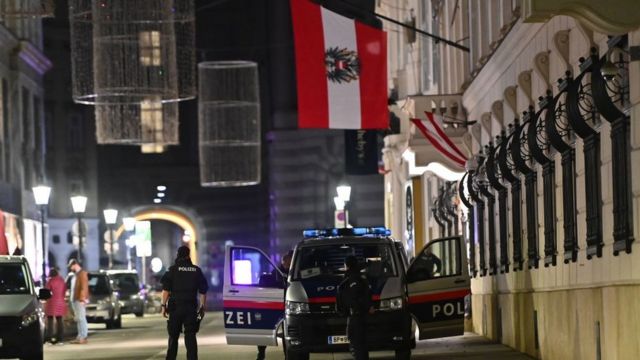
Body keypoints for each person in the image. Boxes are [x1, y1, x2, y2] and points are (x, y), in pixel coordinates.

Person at [161, 246, 208, 360]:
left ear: (178, 255)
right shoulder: (196, 270)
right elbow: (203, 291)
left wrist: (163, 306)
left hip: (175, 308)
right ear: (188, 255)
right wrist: (202, 307)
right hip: (190, 308)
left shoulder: (172, 270)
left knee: (173, 337)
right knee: (190, 336)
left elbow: (166, 290)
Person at [256, 250, 293, 360]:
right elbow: (268, 284)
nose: (290, 264)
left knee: (287, 332)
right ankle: (261, 353)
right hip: (275, 305)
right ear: (284, 261)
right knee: (265, 328)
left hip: (289, 305)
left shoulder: (295, 271)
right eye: (289, 262)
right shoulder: (276, 272)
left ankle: (288, 356)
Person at [337, 255, 373, 360]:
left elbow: (353, 298)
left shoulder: (351, 279)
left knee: (357, 347)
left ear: (346, 266)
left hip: (355, 317)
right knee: (361, 346)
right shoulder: (360, 277)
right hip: (360, 316)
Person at [67, 259, 89, 344]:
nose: (71, 268)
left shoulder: (82, 274)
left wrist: (82, 298)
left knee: (81, 318)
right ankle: (80, 336)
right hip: (75, 299)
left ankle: (83, 336)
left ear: (75, 264)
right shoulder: (76, 274)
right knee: (78, 318)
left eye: (71, 266)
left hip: (78, 299)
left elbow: (84, 287)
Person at [45, 267, 67, 344]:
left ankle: (49, 338)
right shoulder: (62, 280)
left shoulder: (50, 281)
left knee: (50, 321)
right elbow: (64, 291)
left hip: (52, 303)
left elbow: (46, 292)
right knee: (60, 320)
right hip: (61, 302)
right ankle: (60, 339)